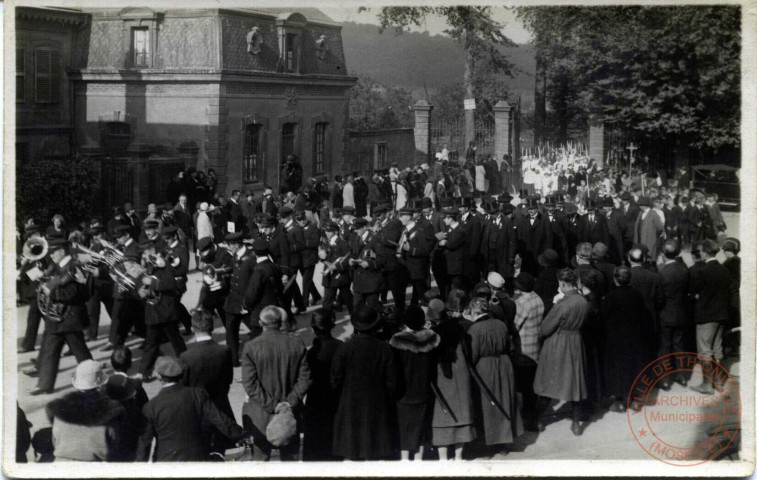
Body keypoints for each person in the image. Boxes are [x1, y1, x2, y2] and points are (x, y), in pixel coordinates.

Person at [137, 356, 249, 462]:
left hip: (167, 461)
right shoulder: (197, 394)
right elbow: (220, 420)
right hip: (198, 457)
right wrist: (242, 435)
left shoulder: (151, 406)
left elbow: (144, 443)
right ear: (181, 375)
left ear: (159, 377)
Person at [240, 306, 312, 461]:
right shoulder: (296, 343)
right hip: (290, 414)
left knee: (260, 461)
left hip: (261, 415)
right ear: (281, 322)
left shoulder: (251, 347)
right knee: (290, 460)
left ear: (261, 323)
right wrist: (289, 403)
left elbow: (250, 384)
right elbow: (305, 378)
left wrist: (273, 405)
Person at [331, 305, 399, 460]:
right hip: (377, 404)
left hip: (350, 405)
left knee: (351, 450)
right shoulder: (384, 348)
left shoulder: (345, 348)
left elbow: (335, 379)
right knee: (375, 451)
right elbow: (392, 381)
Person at [30, 237, 93, 396]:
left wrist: (51, 291)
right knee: (50, 350)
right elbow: (51, 282)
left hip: (70, 317)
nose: (50, 255)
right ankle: (44, 385)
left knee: (80, 352)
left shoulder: (74, 267)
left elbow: (73, 294)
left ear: (62, 251)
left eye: (53, 252)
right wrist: (43, 281)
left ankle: (92, 377)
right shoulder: (56, 266)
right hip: (57, 317)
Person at [533, 268, 591, 436]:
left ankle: (537, 420)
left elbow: (545, 329)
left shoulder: (562, 305)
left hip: (558, 344)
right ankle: (576, 424)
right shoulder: (583, 301)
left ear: (564, 284)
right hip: (576, 343)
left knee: (548, 384)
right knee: (575, 384)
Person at [465, 296, 522, 451]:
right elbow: (509, 346)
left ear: (473, 311)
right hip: (504, 364)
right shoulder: (500, 324)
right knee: (505, 400)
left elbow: (473, 355)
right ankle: (504, 441)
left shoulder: (474, 329)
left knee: (488, 404)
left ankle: (490, 441)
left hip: (485, 367)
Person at [46, 360, 126, 461]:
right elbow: (115, 447)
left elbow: (55, 441)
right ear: (101, 385)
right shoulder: (111, 415)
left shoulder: (58, 412)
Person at [389, 305, 440, 460]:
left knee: (404, 429)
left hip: (403, 393)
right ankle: (419, 460)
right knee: (421, 429)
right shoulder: (431, 339)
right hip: (424, 391)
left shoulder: (397, 341)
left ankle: (405, 460)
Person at [180, 310, 235, 455]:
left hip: (197, 408)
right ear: (211, 328)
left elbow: (184, 384)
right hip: (221, 403)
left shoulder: (186, 355)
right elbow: (228, 378)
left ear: (193, 329)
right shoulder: (224, 350)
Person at [429, 294, 477, 460]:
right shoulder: (461, 330)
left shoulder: (432, 335)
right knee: (462, 412)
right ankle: (458, 457)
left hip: (442, 378)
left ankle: (443, 459)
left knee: (442, 416)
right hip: (461, 374)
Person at [601, 266, 656, 411]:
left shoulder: (610, 297)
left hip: (616, 339)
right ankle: (636, 400)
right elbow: (646, 316)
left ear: (615, 279)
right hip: (635, 337)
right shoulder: (637, 295)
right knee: (635, 366)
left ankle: (619, 400)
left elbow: (603, 317)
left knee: (618, 369)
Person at [689, 239, 731, 394]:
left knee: (705, 352)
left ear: (704, 252)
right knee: (717, 349)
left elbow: (693, 291)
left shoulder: (703, 271)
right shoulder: (724, 269)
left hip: (706, 316)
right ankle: (719, 382)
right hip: (721, 315)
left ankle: (707, 385)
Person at [303, 309, 342, 461]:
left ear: (313, 329)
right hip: (336, 402)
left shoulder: (312, 352)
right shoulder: (341, 347)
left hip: (316, 403)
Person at [512, 272, 544, 431]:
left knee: (524, 388)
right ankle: (531, 416)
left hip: (523, 350)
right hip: (535, 348)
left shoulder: (522, 303)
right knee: (531, 386)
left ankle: (529, 419)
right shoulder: (537, 298)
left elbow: (514, 326)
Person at [104, 346, 149, 461]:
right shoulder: (135, 384)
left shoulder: (104, 385)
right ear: (129, 364)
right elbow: (145, 407)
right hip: (131, 432)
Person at [657, 239, 691, 387]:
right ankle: (682, 375)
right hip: (680, 313)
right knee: (679, 345)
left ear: (664, 254)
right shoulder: (684, 270)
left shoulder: (663, 272)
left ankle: (665, 379)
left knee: (665, 346)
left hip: (665, 314)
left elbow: (659, 298)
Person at [222, 232, 256, 366]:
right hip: (232, 301)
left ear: (236, 244)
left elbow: (255, 282)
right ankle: (233, 359)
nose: (228, 248)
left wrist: (249, 300)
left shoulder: (251, 257)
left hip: (245, 302)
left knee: (255, 329)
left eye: (229, 245)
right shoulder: (234, 256)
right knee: (230, 332)